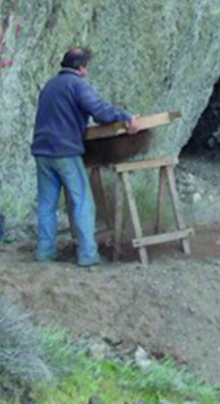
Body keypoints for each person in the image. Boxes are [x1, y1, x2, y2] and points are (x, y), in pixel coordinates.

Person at [31, 47, 139, 266]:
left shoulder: (49, 86)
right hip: (65, 151)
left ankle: (44, 252)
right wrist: (125, 117)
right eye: (86, 67)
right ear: (81, 68)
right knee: (82, 202)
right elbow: (99, 110)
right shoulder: (77, 85)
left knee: (46, 204)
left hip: (42, 151)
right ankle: (88, 255)